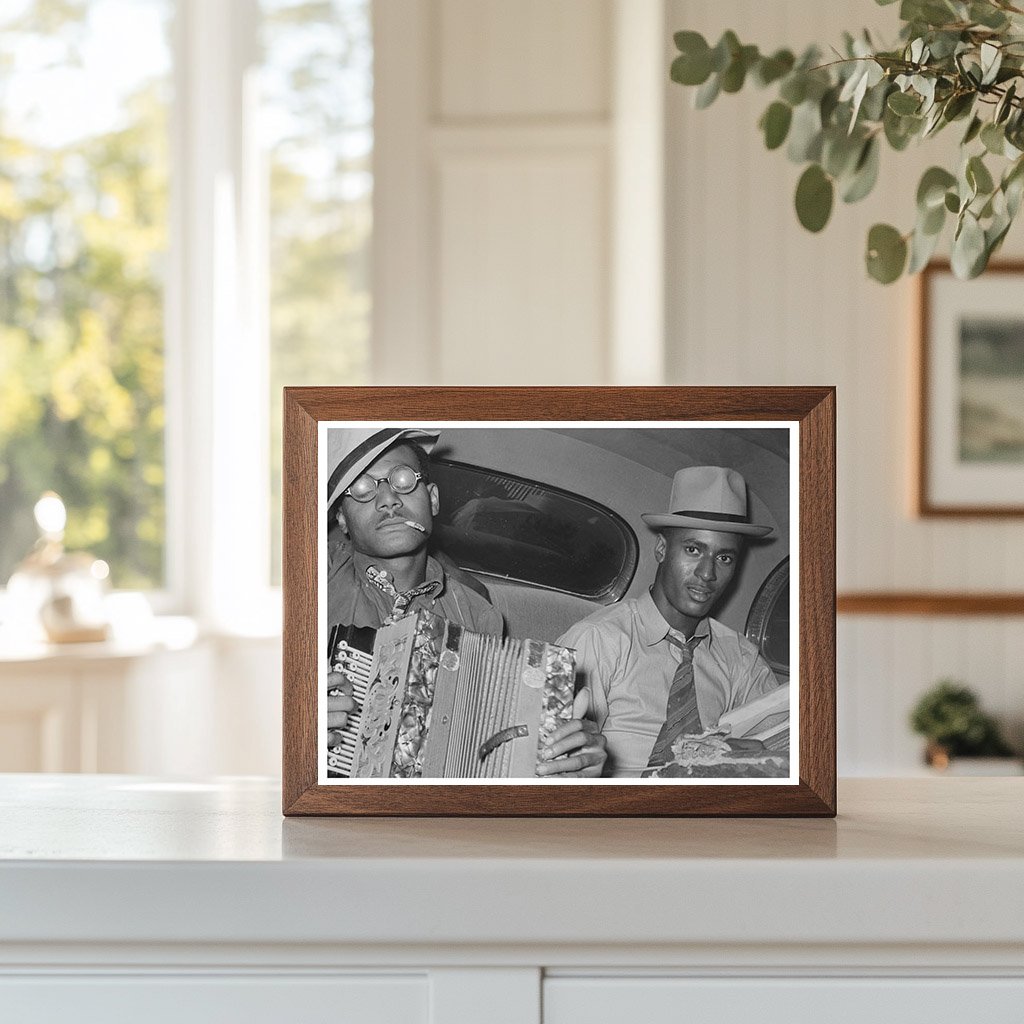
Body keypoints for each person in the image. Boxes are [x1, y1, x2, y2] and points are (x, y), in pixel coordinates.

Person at [326, 427, 605, 777]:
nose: (388, 500)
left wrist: (562, 762)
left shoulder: (478, 615)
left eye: (403, 480)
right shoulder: (309, 584)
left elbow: (490, 753)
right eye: (362, 489)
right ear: (342, 519)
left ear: (433, 500)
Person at [558, 466, 783, 778]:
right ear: (662, 548)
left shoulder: (741, 660)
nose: (707, 573)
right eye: (693, 550)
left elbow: (782, 747)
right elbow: (553, 765)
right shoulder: (599, 640)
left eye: (724, 558)